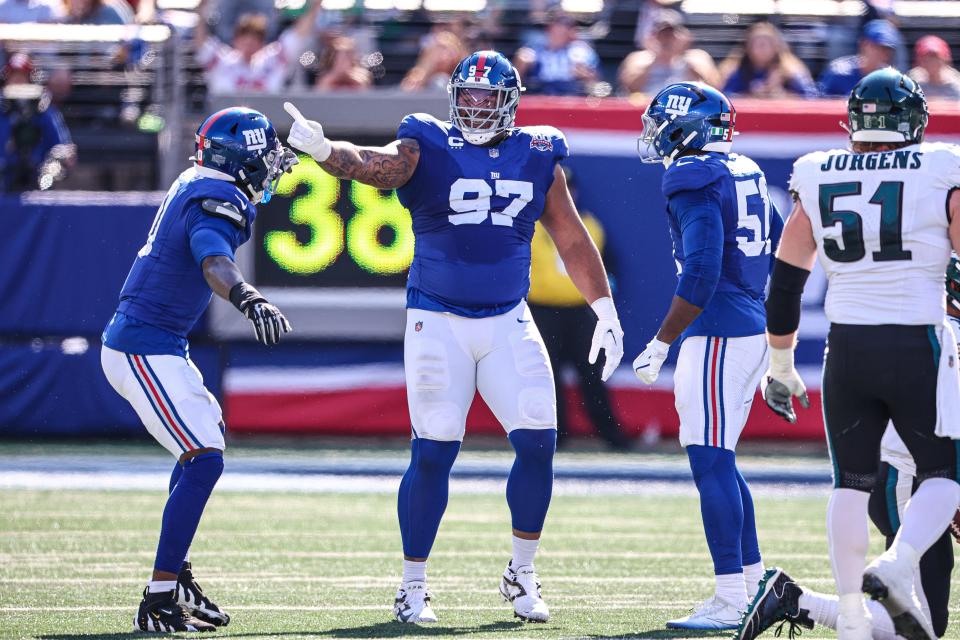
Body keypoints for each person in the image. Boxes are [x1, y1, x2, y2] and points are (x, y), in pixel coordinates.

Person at [284, 50, 624, 624]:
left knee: (540, 440)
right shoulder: (428, 142)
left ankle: (522, 572)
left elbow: (569, 238)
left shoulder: (538, 152)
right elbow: (376, 165)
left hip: (508, 318)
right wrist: (325, 152)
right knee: (436, 450)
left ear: (510, 101)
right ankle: (412, 584)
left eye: (487, 96)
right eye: (468, 94)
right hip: (437, 319)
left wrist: (605, 309)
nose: (476, 105)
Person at [761, 67, 960, 640]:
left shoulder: (817, 171)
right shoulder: (941, 166)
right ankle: (895, 563)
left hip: (846, 347)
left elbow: (786, 284)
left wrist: (779, 365)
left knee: (849, 482)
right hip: (916, 340)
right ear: (914, 121)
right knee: (943, 470)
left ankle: (850, 615)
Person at [100, 107, 297, 632]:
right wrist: (247, 295)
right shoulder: (218, 197)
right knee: (204, 457)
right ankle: (159, 597)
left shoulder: (200, 180)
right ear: (238, 161)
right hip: (143, 347)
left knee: (203, 447)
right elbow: (212, 259)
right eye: (263, 157)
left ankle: (175, 575)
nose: (271, 167)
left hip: (159, 343)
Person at [736, 258, 960, 640]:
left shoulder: (925, 325)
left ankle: (795, 599)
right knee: (920, 627)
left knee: (925, 619)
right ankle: (796, 599)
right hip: (906, 478)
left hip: (905, 474)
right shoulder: (942, 335)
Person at [631, 81, 784, 630]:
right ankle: (751, 583)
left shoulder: (692, 175)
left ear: (687, 125)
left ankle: (731, 599)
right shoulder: (744, 168)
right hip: (745, 326)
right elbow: (777, 242)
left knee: (709, 460)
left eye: (661, 123)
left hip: (718, 330)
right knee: (721, 459)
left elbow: (701, 269)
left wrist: (660, 341)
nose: (654, 134)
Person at [528, 166, 631, 450]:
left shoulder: (591, 226)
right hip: (541, 310)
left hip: (580, 312)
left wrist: (602, 303)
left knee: (593, 373)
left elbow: (607, 268)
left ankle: (611, 434)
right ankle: (554, 435)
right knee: (547, 376)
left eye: (569, 189)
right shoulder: (530, 225)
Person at [194, 0, 319, 95]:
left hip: (266, 124)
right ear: (235, 39)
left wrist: (315, 4)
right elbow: (201, 42)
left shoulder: (273, 60)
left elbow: (299, 34)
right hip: (227, 125)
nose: (249, 42)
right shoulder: (222, 61)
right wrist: (201, 8)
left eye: (256, 37)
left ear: (262, 41)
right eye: (244, 36)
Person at [0, 53, 75, 191]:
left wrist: (52, 168)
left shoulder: (44, 111)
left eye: (22, 77)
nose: (17, 82)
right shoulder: (2, 110)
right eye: (13, 77)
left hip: (37, 182)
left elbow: (64, 149)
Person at [618, 9, 719, 96]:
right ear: (653, 36)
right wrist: (656, 58)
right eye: (662, 35)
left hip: (687, 108)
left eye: (671, 35)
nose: (667, 39)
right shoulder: (639, 58)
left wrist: (683, 57)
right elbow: (629, 88)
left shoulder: (698, 57)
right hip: (648, 108)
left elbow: (715, 87)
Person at [720, 21, 817, 99]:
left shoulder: (791, 70)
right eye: (757, 44)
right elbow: (725, 97)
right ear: (748, 47)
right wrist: (751, 95)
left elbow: (811, 97)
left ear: (776, 47)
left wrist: (783, 96)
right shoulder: (739, 70)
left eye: (767, 43)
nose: (762, 48)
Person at [513, 11, 599, 96]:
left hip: (570, 99)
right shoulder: (533, 52)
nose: (564, 29)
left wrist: (585, 74)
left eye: (569, 25)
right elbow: (516, 83)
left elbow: (595, 83)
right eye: (560, 24)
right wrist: (521, 64)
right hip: (540, 96)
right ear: (549, 27)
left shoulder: (582, 51)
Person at [818, 19, 900, 97]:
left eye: (887, 50)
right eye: (877, 48)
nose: (883, 54)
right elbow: (820, 105)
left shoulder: (890, 80)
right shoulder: (839, 73)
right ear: (864, 45)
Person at [400, 29, 467, 93]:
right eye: (439, 50)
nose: (443, 56)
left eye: (447, 50)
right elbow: (408, 91)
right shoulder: (415, 83)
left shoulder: (466, 76)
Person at [909, 35, 960, 100]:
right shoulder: (913, 84)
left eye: (936, 58)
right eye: (927, 59)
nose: (932, 63)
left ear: (945, 60)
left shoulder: (956, 84)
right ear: (920, 62)